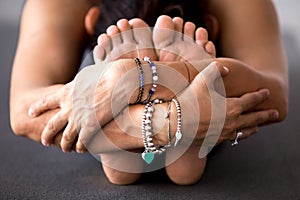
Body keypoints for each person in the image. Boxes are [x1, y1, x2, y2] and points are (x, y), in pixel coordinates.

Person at [10, 0, 288, 185]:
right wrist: (178, 119)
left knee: (96, 77)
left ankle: (117, 152)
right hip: (201, 103)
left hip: (183, 101)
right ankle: (187, 151)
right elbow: (24, 110)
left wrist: (130, 79)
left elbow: (275, 94)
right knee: (209, 88)